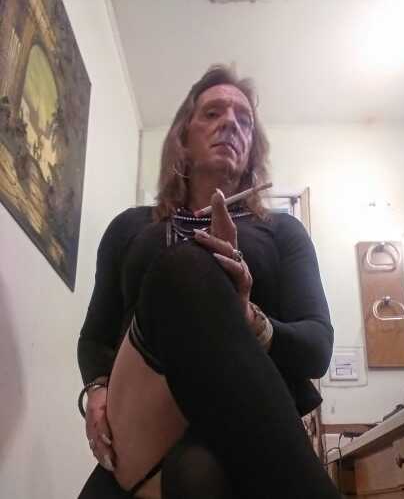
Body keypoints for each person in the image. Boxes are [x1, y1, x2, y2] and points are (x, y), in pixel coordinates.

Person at [77, 65, 341, 499]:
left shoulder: (283, 232)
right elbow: (94, 337)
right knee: (186, 268)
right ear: (183, 137)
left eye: (244, 120)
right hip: (141, 422)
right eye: (213, 113)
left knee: (199, 470)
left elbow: (317, 348)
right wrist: (96, 390)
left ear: (252, 149)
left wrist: (249, 318)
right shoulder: (130, 228)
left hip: (241, 430)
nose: (230, 124)